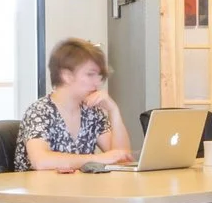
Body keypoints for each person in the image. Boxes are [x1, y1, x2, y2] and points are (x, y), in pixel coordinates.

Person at [17, 37, 134, 171]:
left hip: (79, 190)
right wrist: (98, 159)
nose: (97, 82)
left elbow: (122, 158)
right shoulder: (40, 111)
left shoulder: (91, 112)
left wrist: (114, 110)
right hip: (42, 190)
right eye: (90, 75)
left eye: (98, 76)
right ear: (67, 76)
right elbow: (41, 161)